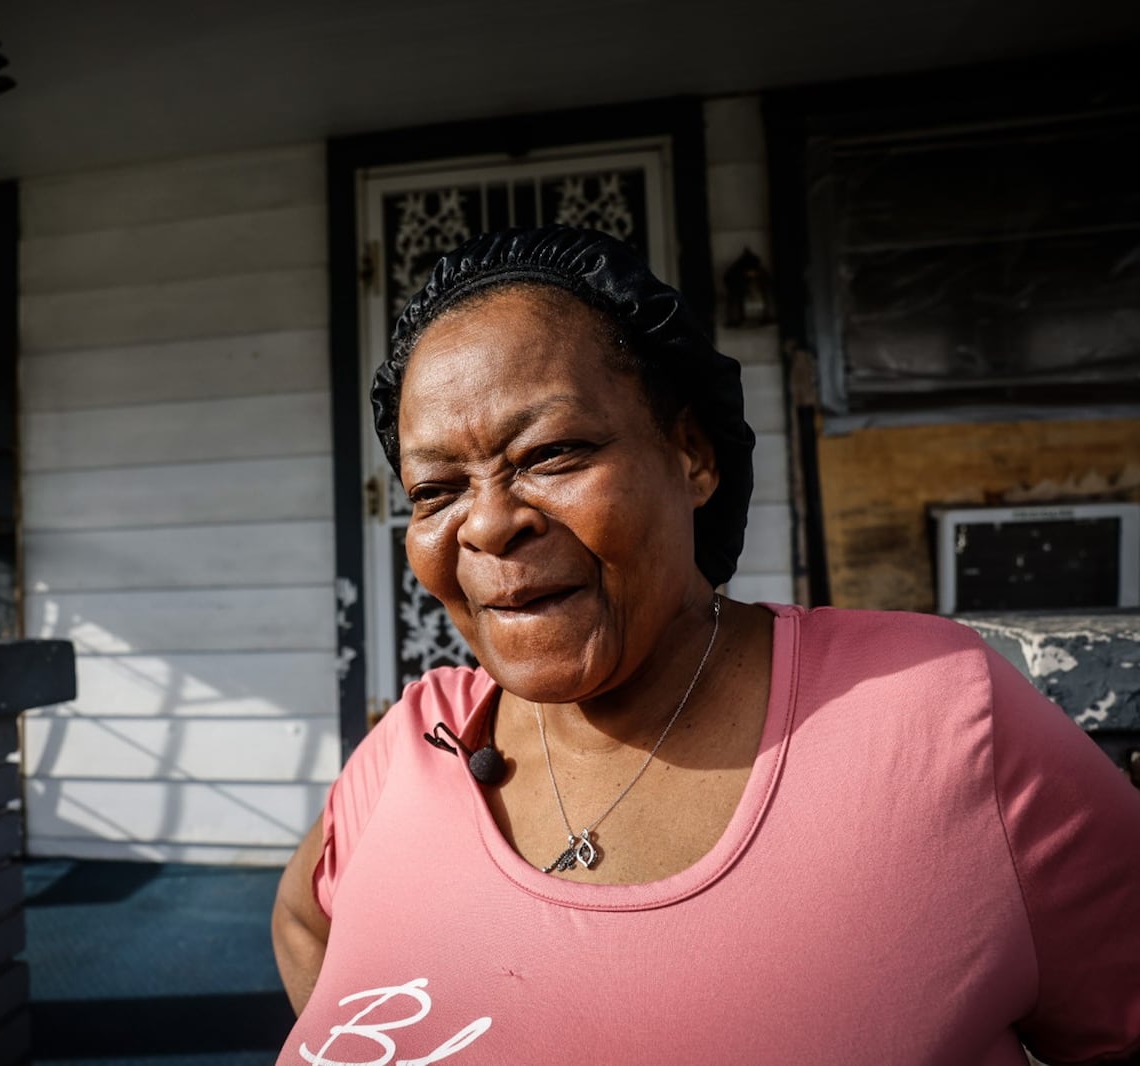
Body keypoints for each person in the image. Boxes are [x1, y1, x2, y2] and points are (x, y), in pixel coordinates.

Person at [270, 225, 1140, 1065]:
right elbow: (306, 922)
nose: (490, 523)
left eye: (553, 453)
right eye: (436, 489)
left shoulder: (940, 721)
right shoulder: (409, 752)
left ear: (691, 455)